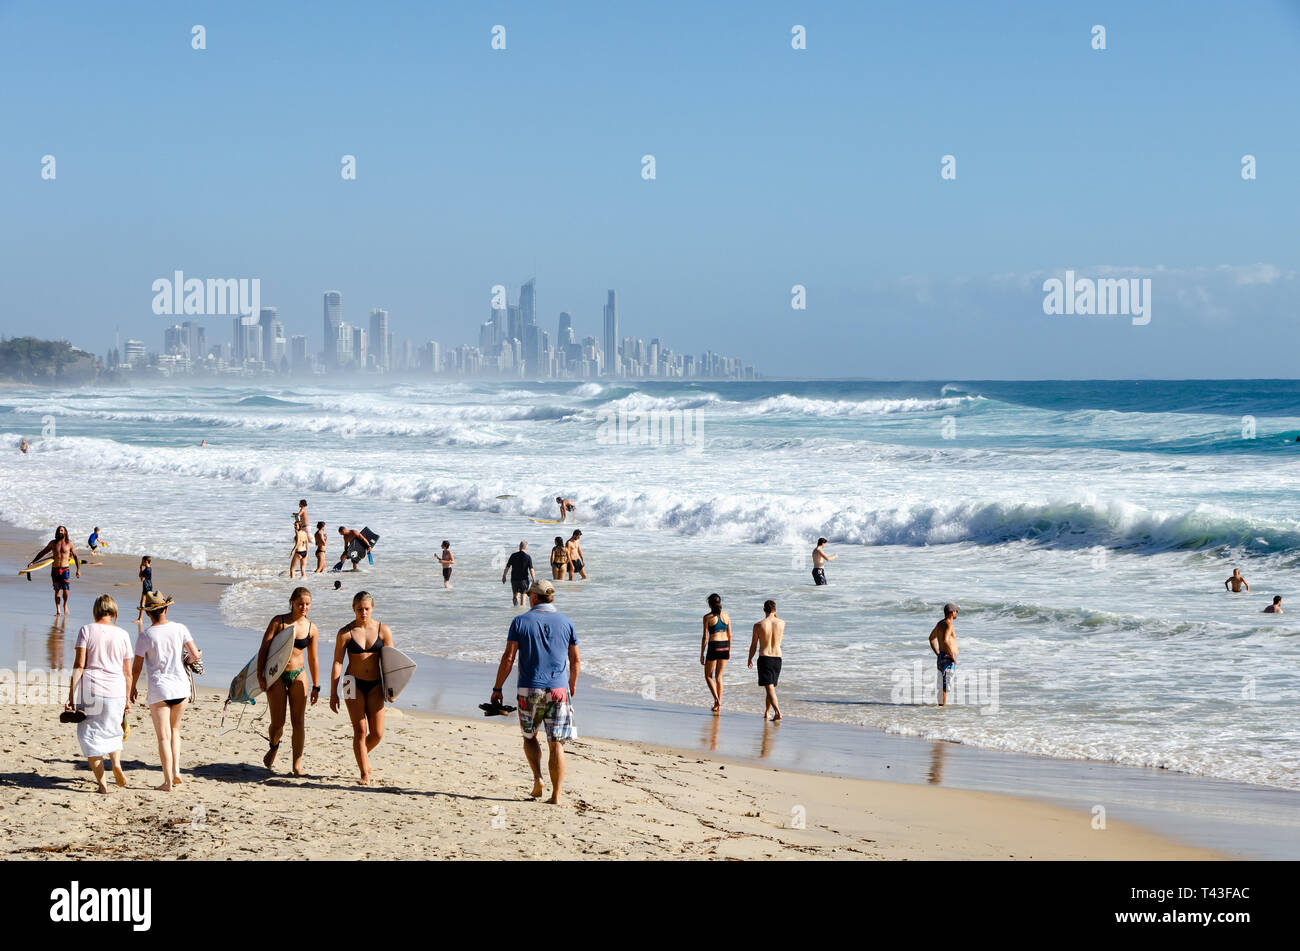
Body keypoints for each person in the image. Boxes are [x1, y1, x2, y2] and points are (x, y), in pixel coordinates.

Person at [490, 579, 580, 805]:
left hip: (529, 689)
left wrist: (497, 687)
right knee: (557, 743)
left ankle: (538, 778)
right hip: (559, 690)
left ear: (533, 597)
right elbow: (575, 659)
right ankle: (556, 796)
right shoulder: (567, 622)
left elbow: (508, 658)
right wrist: (572, 684)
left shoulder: (520, 621)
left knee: (530, 736)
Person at [130, 591, 201, 791]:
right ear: (166, 608)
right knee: (175, 731)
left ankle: (168, 782)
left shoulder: (145, 636)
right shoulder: (180, 628)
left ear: (148, 614)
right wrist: (185, 661)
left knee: (163, 737)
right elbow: (195, 654)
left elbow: (136, 668)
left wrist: (132, 687)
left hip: (160, 690)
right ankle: (177, 771)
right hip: (181, 687)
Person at [65, 595, 132, 793]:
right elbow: (127, 672)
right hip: (116, 690)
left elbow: (79, 665)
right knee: (113, 731)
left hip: (92, 690)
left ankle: (103, 785)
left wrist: (71, 695)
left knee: (89, 736)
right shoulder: (123, 634)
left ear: (96, 611)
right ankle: (117, 764)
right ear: (114, 612)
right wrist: (127, 699)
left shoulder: (86, 630)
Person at [329, 591, 394, 785]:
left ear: (372, 608)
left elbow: (392, 663)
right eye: (359, 609)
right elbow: (337, 662)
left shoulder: (384, 631)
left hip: (376, 684)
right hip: (351, 683)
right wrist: (333, 693)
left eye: (366, 609)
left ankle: (361, 754)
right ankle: (364, 772)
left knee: (377, 734)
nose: (363, 612)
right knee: (360, 730)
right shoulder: (345, 632)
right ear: (353, 609)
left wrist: (394, 689)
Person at [258, 587, 320, 775]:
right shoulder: (279, 622)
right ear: (292, 602)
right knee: (278, 723)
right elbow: (264, 648)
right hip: (277, 675)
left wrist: (317, 685)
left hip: (299, 674)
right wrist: (261, 675)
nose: (304, 607)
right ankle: (274, 746)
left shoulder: (311, 628)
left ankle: (296, 766)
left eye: (307, 604)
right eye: (300, 603)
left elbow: (313, 659)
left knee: (298, 721)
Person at [27, 526, 80, 615]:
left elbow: (75, 556)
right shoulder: (53, 543)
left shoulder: (69, 543)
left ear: (65, 532)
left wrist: (78, 569)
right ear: (57, 532)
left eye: (62, 530)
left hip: (65, 569)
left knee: (66, 590)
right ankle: (58, 610)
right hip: (55, 569)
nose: (60, 531)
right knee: (57, 590)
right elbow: (43, 552)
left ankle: (65, 605)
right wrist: (33, 561)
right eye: (59, 530)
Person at [748, 600, 785, 721]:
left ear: (764, 610)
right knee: (771, 687)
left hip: (765, 658)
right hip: (778, 659)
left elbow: (754, 645)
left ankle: (778, 712)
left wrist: (750, 658)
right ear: (775, 610)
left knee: (769, 688)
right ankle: (767, 712)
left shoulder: (758, 625)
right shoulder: (782, 623)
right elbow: (776, 620)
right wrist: (775, 615)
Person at [700, 593, 731, 713]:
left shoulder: (707, 617)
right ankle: (718, 705)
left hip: (714, 646)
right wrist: (729, 650)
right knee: (719, 677)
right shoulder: (726, 616)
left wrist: (702, 653)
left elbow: (705, 638)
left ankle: (716, 699)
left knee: (708, 676)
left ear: (709, 604)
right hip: (725, 645)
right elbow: (730, 635)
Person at [928, 603, 959, 707]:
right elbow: (945, 640)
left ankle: (940, 708)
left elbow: (931, 638)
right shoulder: (949, 624)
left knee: (941, 686)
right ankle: (942, 710)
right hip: (947, 658)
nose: (956, 613)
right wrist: (952, 655)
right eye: (956, 611)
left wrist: (937, 653)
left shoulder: (940, 624)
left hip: (941, 657)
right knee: (945, 687)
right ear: (952, 612)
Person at [502, 541, 536, 606]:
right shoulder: (528, 557)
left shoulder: (513, 555)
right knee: (523, 596)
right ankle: (521, 611)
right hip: (524, 580)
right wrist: (534, 580)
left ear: (519, 547)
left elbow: (507, 567)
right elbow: (531, 569)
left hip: (514, 579)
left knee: (515, 595)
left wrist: (504, 576)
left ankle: (515, 609)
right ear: (526, 548)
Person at [134, 556, 152, 623]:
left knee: (143, 602)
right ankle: (140, 618)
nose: (141, 562)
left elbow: (142, 579)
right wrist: (141, 568)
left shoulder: (147, 569)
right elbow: (140, 575)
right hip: (148, 585)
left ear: (146, 561)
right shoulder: (148, 568)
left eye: (142, 561)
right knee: (145, 602)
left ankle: (140, 619)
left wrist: (141, 569)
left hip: (146, 586)